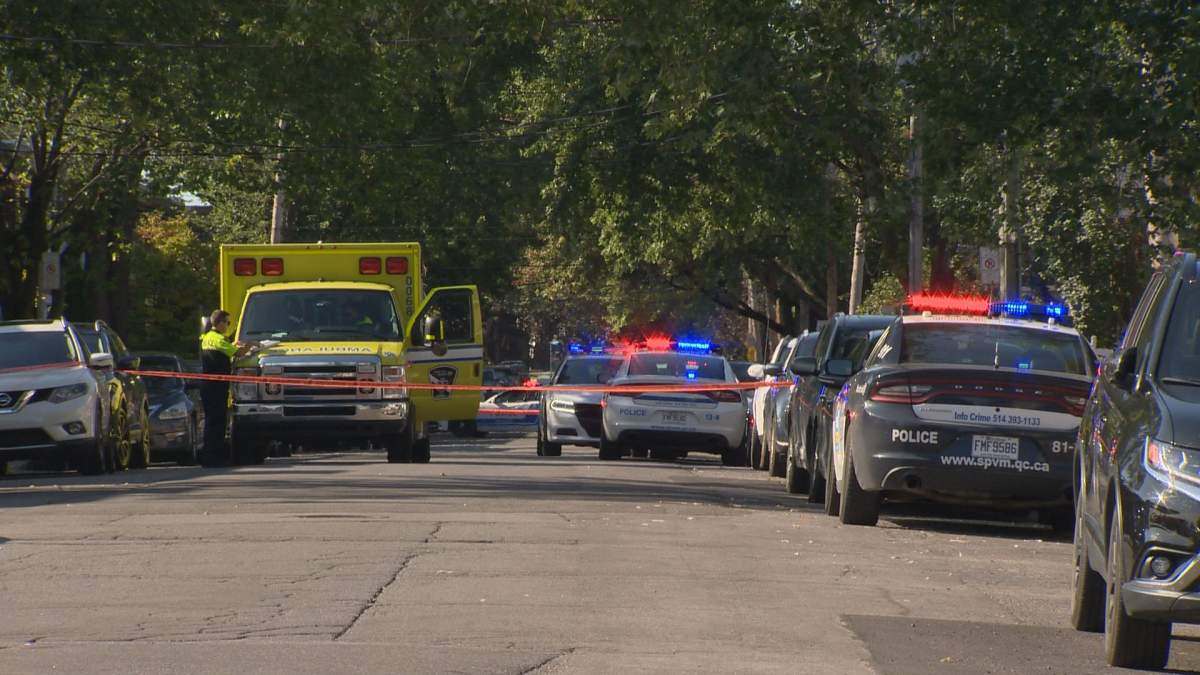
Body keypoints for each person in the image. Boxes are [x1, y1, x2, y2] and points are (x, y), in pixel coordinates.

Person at [199, 310, 254, 467]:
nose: (228, 326)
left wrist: (233, 345)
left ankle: (210, 455)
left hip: (210, 385)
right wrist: (251, 344)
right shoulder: (219, 339)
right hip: (216, 387)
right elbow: (239, 353)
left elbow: (224, 349)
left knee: (212, 421)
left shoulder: (208, 337)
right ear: (220, 323)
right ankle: (214, 457)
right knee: (217, 422)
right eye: (227, 323)